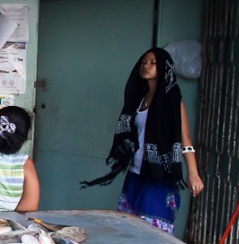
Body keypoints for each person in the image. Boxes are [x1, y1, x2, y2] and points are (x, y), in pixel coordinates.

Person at [81, 47, 204, 234]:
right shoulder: (138, 99)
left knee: (153, 233)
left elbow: (184, 138)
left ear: (164, 68)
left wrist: (193, 173)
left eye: (153, 63)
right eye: (144, 62)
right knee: (128, 229)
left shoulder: (172, 101)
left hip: (159, 175)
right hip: (136, 172)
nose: (146, 66)